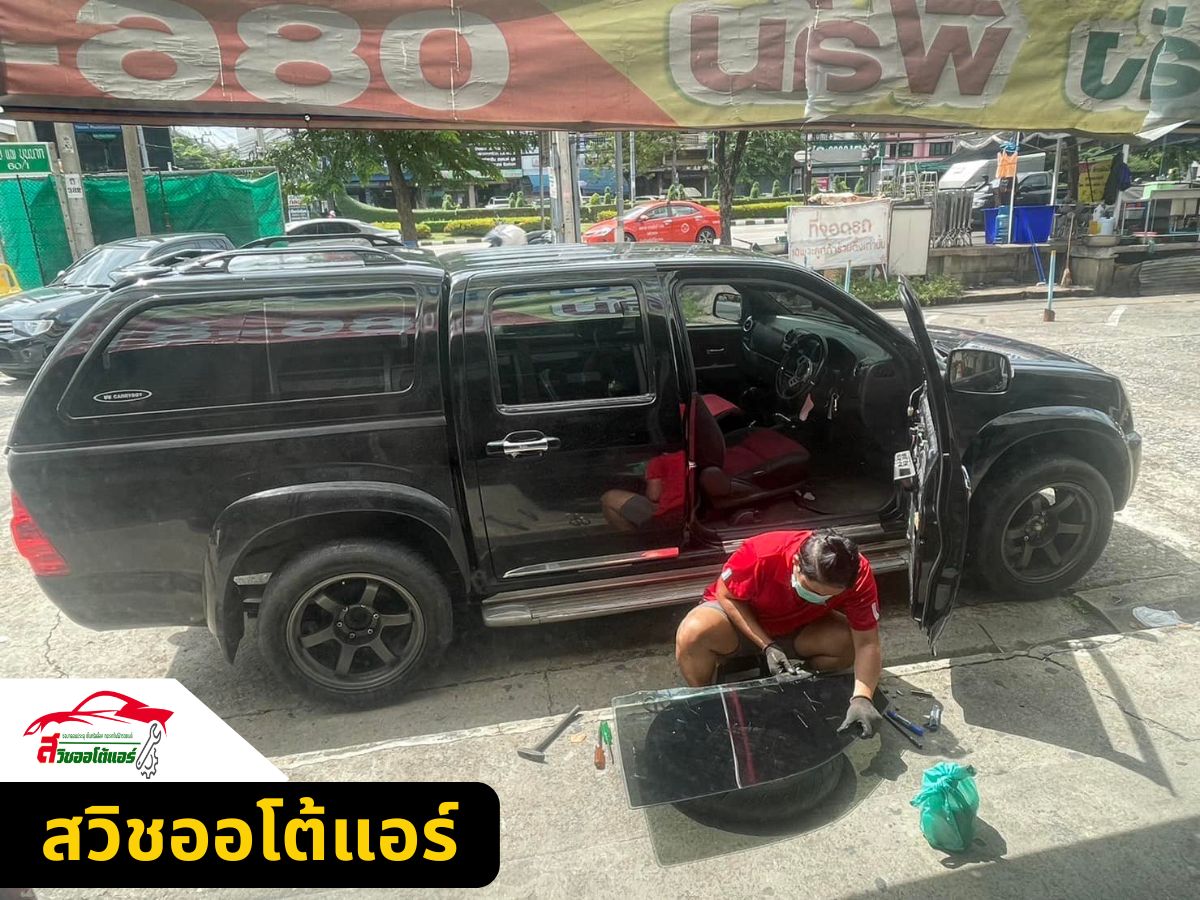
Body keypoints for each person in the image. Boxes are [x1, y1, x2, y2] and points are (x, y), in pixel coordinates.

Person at [675, 529, 885, 737]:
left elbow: (867, 643)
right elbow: (726, 595)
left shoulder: (857, 573)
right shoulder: (762, 553)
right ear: (796, 563)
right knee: (694, 632)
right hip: (739, 624)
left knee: (846, 643)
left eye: (827, 596)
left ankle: (798, 678)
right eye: (811, 590)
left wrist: (862, 698)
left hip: (799, 627)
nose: (818, 597)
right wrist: (767, 645)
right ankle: (704, 702)